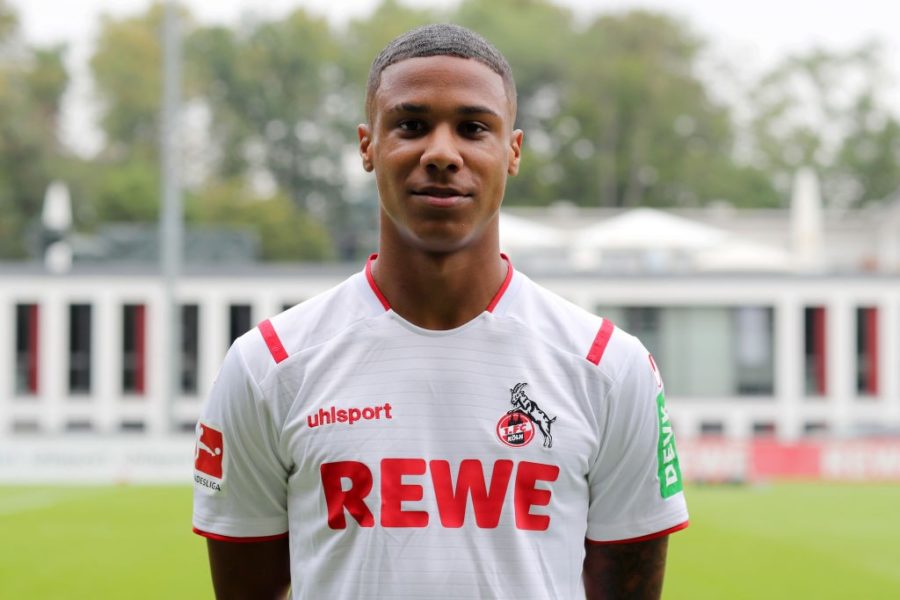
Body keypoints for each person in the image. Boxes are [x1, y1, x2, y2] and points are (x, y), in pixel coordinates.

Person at [192, 23, 688, 599]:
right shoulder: (269, 365)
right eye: (411, 125)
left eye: (474, 128)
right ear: (367, 146)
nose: (442, 153)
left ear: (513, 151)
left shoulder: (608, 366)